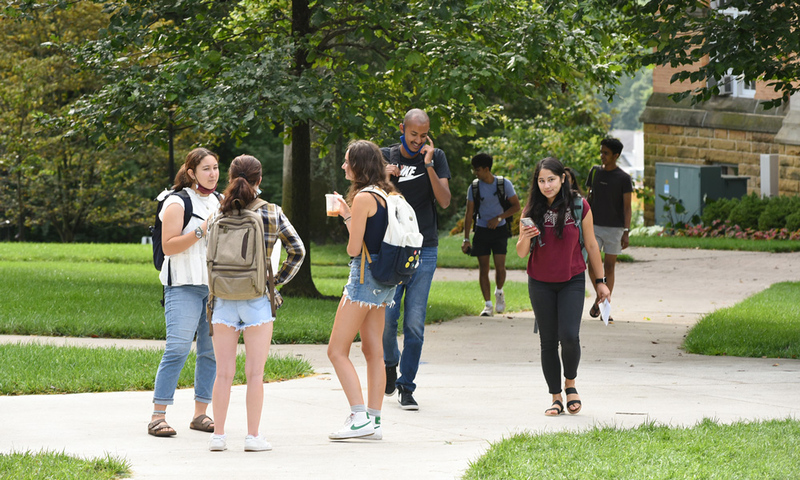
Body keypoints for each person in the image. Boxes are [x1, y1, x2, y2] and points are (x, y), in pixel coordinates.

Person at [207, 155, 305, 452]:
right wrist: (273, 283)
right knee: (255, 374)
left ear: (230, 178)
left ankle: (218, 436)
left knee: (223, 373)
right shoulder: (272, 212)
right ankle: (252, 437)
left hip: (222, 300)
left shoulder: (217, 212)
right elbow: (297, 251)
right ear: (259, 180)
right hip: (257, 300)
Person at [516, 157, 610, 416]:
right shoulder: (531, 210)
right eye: (542, 180)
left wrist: (600, 283)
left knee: (569, 336)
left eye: (551, 180)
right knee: (548, 341)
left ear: (562, 179)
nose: (547, 185)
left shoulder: (580, 206)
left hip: (572, 280)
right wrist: (525, 236)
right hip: (540, 283)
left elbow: (591, 246)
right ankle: (555, 396)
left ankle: (570, 384)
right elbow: (522, 253)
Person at [327, 140, 397, 440]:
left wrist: (349, 217)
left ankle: (358, 417)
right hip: (384, 280)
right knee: (373, 351)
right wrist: (347, 215)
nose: (343, 166)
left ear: (358, 165)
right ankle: (375, 421)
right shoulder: (386, 193)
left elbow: (355, 248)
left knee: (336, 350)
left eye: (346, 161)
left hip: (363, 279)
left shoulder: (362, 199)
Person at [148, 147, 221, 437]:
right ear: (191, 173)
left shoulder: (222, 201)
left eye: (215, 168)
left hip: (215, 288)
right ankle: (158, 415)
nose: (213, 174)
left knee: (211, 352)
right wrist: (202, 229)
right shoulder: (176, 202)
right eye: (206, 168)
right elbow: (169, 246)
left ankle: (200, 414)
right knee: (177, 348)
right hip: (182, 285)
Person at [382, 108, 451, 410]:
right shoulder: (384, 154)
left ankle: (406, 386)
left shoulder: (436, 157)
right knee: (387, 318)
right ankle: (388, 363)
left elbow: (445, 201)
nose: (418, 140)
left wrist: (429, 166)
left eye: (424, 136)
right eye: (413, 135)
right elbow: (369, 195)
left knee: (414, 323)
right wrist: (385, 177)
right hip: (393, 246)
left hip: (425, 247)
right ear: (402, 129)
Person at [461, 153, 521, 316]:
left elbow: (516, 206)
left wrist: (499, 218)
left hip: (500, 230)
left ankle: (499, 292)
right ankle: (488, 305)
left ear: (487, 169)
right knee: (483, 269)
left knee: (500, 268)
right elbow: (469, 213)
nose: (475, 173)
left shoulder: (503, 184)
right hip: (481, 230)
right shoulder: (474, 187)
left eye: (478, 169)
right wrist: (466, 239)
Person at [584, 138, 632, 323]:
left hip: (615, 228)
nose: (602, 156)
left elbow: (627, 208)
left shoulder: (624, 178)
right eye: (601, 152)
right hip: (593, 225)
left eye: (606, 153)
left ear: (616, 156)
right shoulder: (595, 173)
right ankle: (600, 295)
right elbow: (587, 199)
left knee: (609, 266)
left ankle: (603, 304)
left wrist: (626, 231)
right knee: (592, 264)